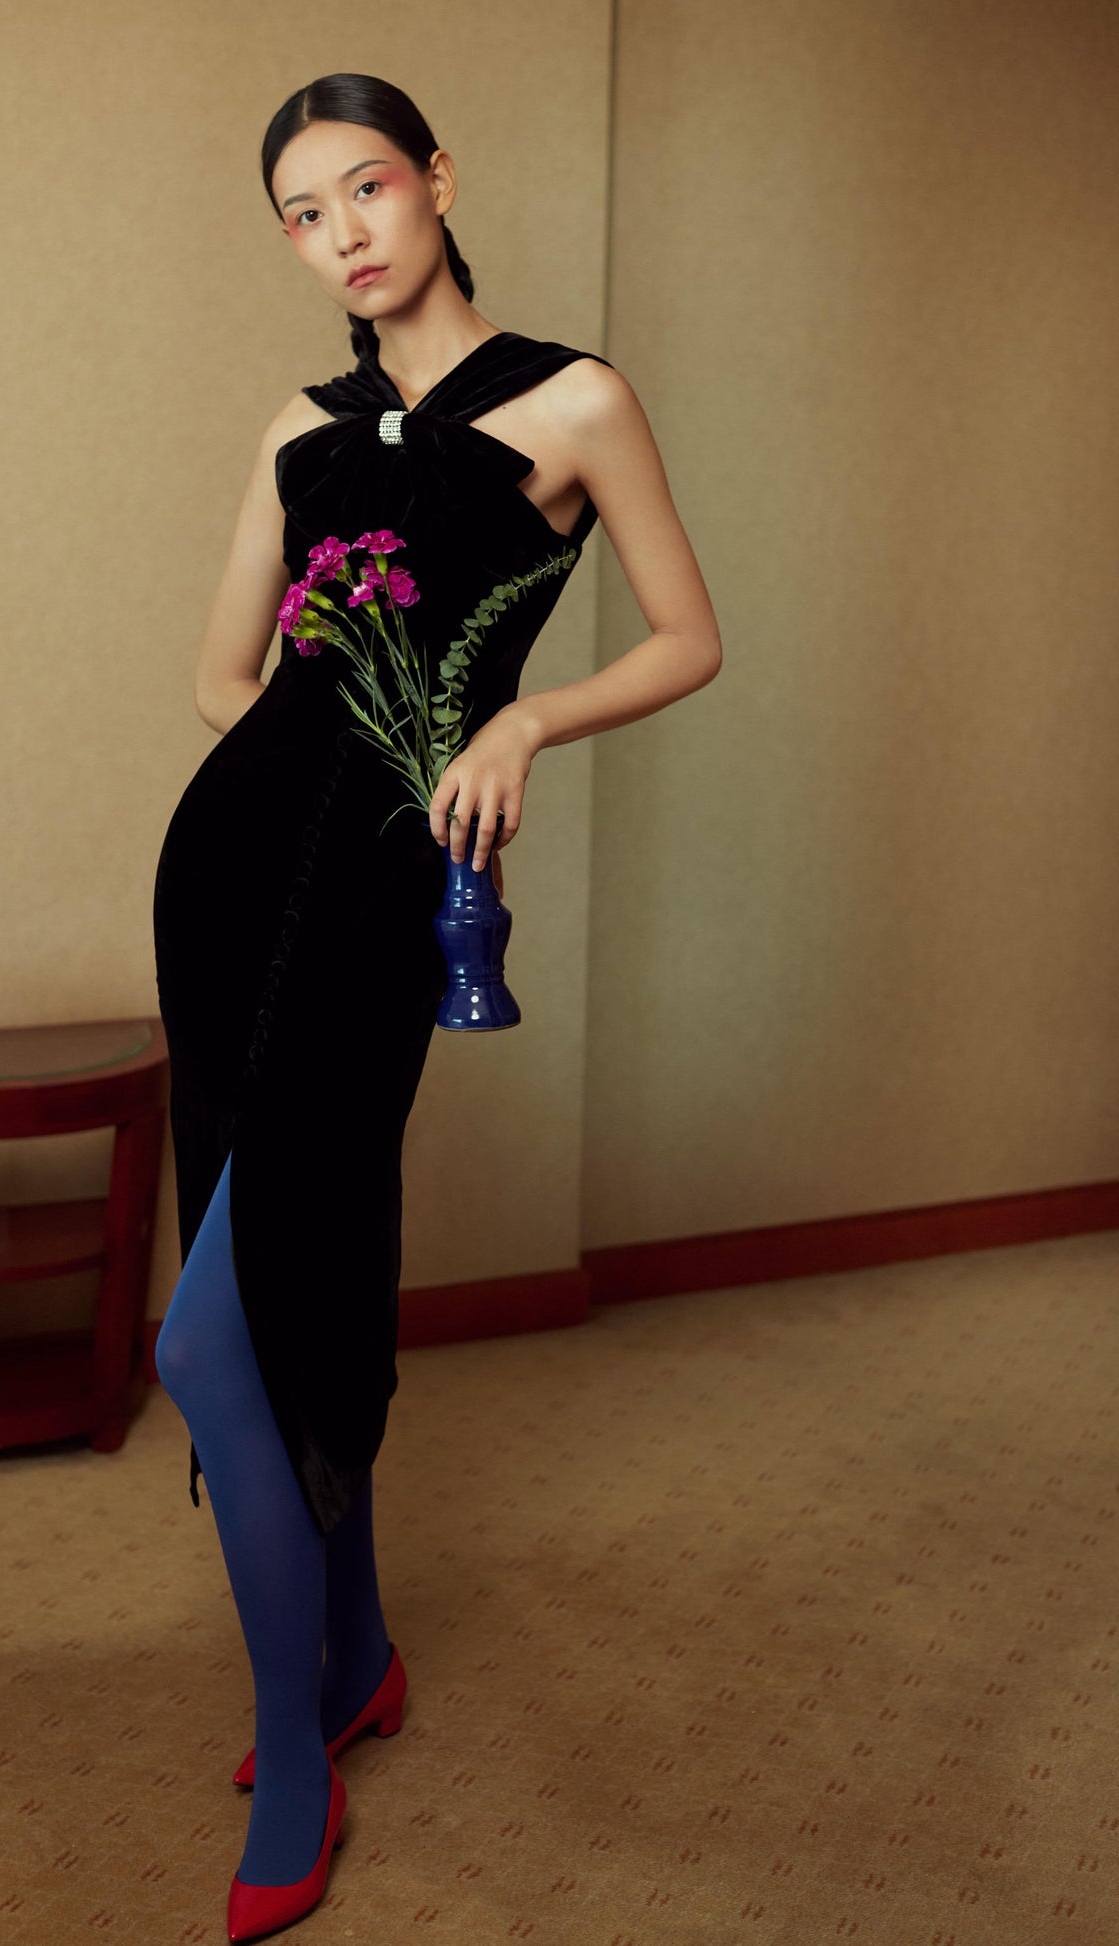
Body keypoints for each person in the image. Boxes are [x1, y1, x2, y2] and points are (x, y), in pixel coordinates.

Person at [150, 71, 722, 1942]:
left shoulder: (573, 401)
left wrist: (511, 723)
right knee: (294, 1276)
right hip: (230, 880)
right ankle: (357, 1657)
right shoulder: (296, 431)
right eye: (303, 214)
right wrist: (328, 750)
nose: (342, 234)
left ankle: (294, 1753)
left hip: (380, 901)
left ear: (438, 182)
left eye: (368, 187)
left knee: (215, 1338)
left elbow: (687, 636)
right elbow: (225, 676)